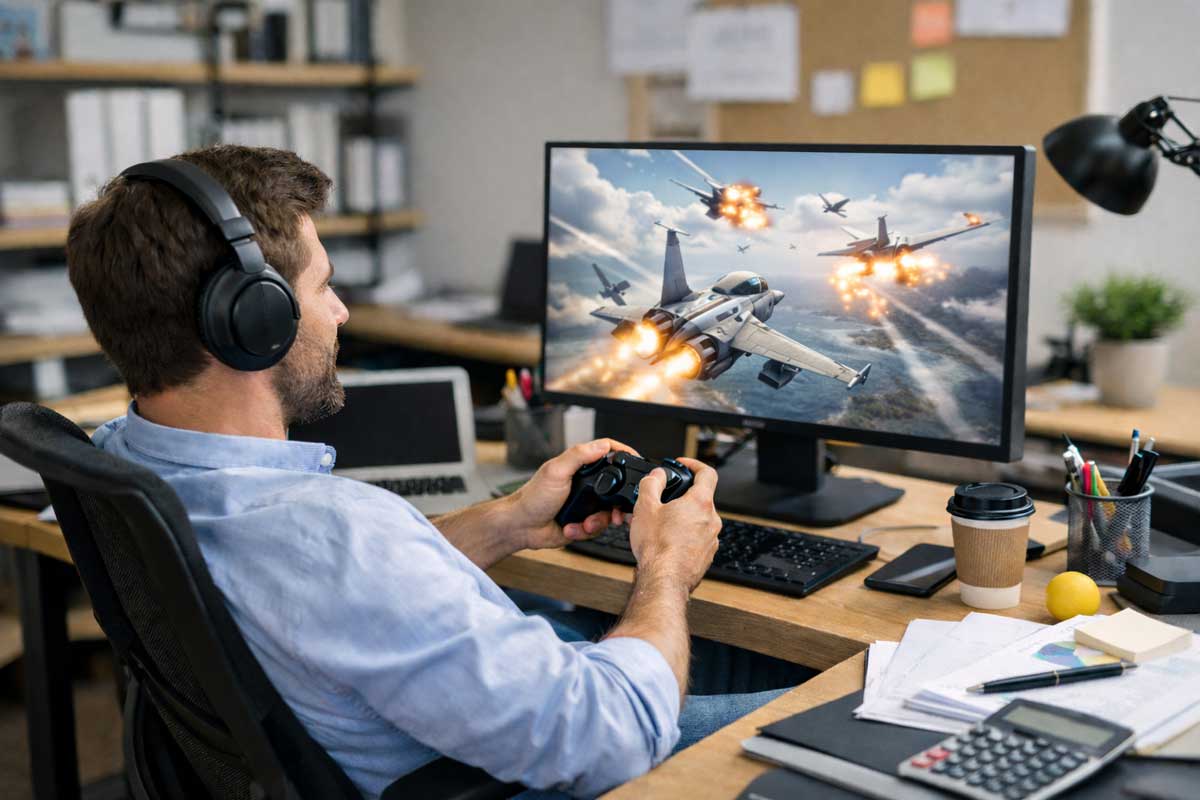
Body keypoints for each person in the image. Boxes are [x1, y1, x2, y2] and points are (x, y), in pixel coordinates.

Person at [65, 145, 804, 799]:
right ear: (253, 320)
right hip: (515, 769)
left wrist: (509, 519)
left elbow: (326, 604)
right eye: (324, 287)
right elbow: (609, 736)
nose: (344, 313)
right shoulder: (336, 532)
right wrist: (667, 568)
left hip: (405, 740)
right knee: (860, 722)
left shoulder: (125, 459)